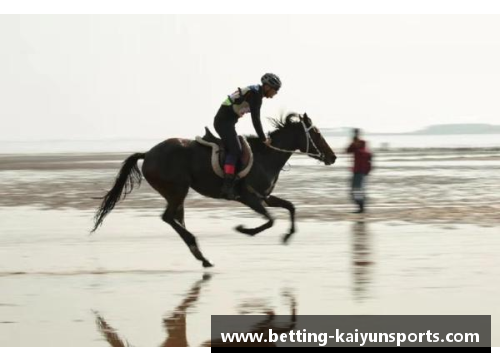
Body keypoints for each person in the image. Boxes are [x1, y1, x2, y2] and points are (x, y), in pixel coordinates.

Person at [213, 73, 281, 200]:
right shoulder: (255, 94)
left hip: (227, 122)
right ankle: (227, 186)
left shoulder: (255, 92)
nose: (275, 93)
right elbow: (256, 120)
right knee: (236, 150)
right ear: (267, 87)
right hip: (223, 123)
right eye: (275, 90)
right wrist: (263, 139)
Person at [346, 128, 372, 213]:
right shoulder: (354, 143)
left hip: (361, 170)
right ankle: (361, 205)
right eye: (354, 133)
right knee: (354, 189)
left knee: (357, 189)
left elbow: (364, 152)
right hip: (356, 170)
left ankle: (361, 207)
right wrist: (353, 144)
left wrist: (356, 145)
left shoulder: (362, 142)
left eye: (356, 133)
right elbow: (347, 151)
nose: (355, 134)